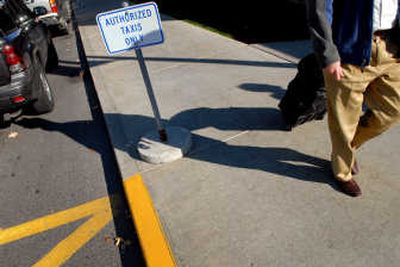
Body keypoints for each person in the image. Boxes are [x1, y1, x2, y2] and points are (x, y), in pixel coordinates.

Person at [305, 0, 400, 197]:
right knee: (344, 121)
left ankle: (346, 149)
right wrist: (328, 54)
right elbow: (319, 8)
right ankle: (342, 172)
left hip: (392, 49)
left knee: (392, 111)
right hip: (350, 50)